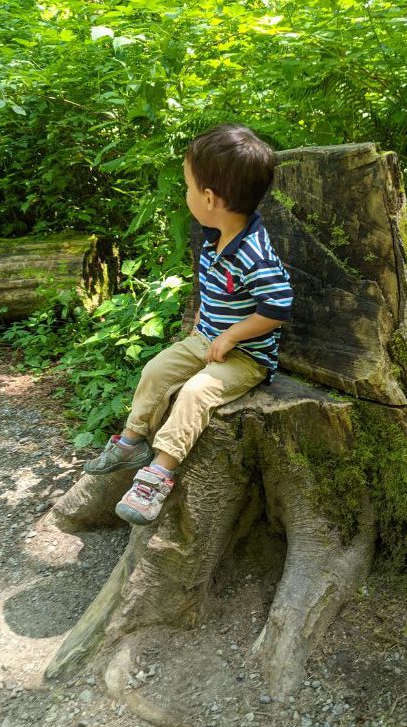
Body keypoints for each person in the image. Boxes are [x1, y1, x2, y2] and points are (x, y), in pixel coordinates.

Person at [84, 123, 293, 525]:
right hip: (206, 339)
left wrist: (232, 334)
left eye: (188, 188)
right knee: (157, 368)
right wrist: (209, 318)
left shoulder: (254, 253)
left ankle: (158, 475)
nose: (186, 196)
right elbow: (218, 289)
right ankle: (131, 441)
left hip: (245, 358)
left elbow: (278, 306)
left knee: (194, 394)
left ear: (210, 197)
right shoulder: (217, 234)